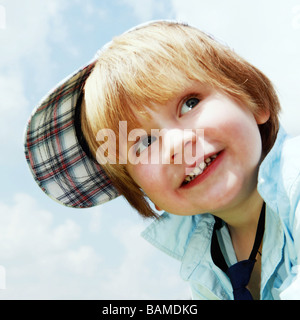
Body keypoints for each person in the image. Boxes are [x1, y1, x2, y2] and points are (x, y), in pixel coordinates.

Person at [24, 20, 300, 300]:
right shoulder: (206, 261)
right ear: (143, 191)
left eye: (190, 103)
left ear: (254, 100)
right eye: (145, 143)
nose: (177, 144)